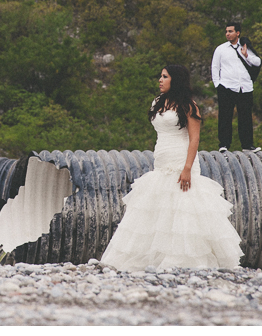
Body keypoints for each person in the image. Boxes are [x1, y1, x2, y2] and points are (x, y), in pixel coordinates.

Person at [99, 65, 242, 271]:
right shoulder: (158, 102)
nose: (160, 80)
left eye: (165, 77)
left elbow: (195, 139)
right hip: (162, 161)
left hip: (181, 160)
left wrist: (187, 168)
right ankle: (151, 259)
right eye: (161, 76)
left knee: (184, 207)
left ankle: (185, 260)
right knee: (158, 205)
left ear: (176, 80)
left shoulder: (189, 106)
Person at [211, 22, 262, 153]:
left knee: (245, 117)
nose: (227, 34)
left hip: (244, 87)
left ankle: (247, 145)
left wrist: (246, 55)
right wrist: (218, 85)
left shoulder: (245, 47)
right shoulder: (221, 49)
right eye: (226, 31)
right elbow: (215, 67)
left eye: (230, 31)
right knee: (225, 117)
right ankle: (224, 144)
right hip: (227, 87)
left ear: (237, 33)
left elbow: (258, 62)